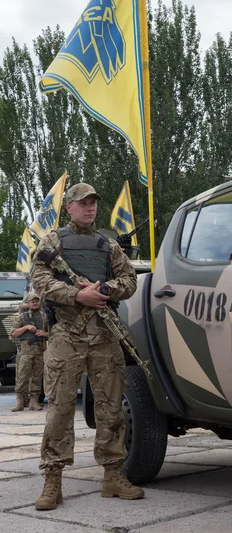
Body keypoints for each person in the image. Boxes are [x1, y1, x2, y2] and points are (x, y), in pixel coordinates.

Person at [31, 183, 143, 511]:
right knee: (60, 408)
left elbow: (130, 281)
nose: (89, 208)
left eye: (93, 202)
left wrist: (105, 289)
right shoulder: (53, 241)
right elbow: (40, 279)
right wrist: (78, 295)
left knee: (110, 406)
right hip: (66, 334)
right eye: (83, 203)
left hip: (104, 335)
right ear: (69, 208)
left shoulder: (107, 245)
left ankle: (113, 475)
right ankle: (53, 479)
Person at [10, 293, 48, 412]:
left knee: (37, 378)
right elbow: (13, 333)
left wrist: (44, 334)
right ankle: (20, 401)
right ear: (29, 303)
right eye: (32, 301)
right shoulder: (22, 317)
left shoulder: (44, 317)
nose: (35, 303)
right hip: (25, 352)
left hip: (39, 351)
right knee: (22, 377)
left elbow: (52, 333)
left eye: (37, 301)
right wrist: (26, 328)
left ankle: (34, 401)